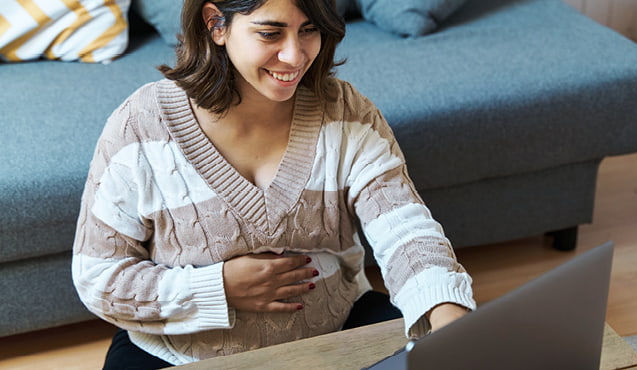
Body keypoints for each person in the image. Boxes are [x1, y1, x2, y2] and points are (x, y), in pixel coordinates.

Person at [72, 0, 476, 368]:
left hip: (337, 331)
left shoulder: (347, 112)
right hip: (176, 352)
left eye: (308, 30)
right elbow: (99, 277)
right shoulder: (141, 126)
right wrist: (219, 288)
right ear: (216, 24)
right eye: (270, 33)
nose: (294, 56)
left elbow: (406, 230)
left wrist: (448, 319)